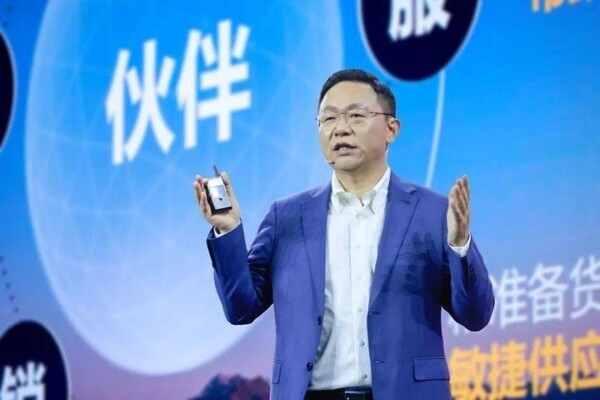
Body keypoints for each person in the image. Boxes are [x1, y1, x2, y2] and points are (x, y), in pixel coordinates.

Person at [194, 69, 494, 400]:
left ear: (391, 129)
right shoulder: (286, 217)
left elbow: (476, 315)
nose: (340, 128)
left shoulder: (432, 212)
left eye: (355, 115)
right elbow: (240, 308)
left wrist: (459, 244)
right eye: (329, 118)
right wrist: (228, 230)